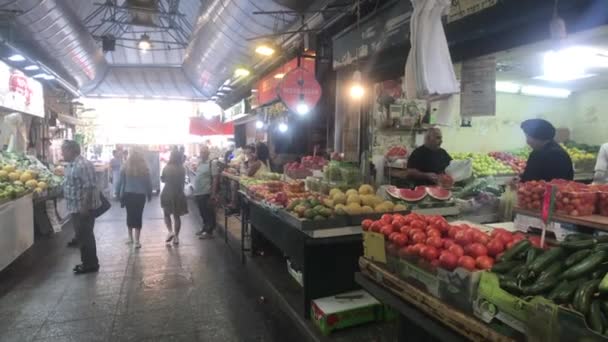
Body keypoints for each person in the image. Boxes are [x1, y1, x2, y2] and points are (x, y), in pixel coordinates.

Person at [62, 140, 100, 274]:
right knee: (82, 236)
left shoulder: (82, 165)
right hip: (75, 207)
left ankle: (90, 264)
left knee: (85, 235)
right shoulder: (73, 164)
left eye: (64, 150)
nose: (62, 153)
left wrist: (85, 207)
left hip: (81, 208)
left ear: (72, 150)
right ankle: (88, 262)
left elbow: (88, 187)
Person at [117, 148, 153, 249]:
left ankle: (130, 238)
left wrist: (117, 193)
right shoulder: (144, 168)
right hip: (140, 196)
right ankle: (137, 241)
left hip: (128, 194)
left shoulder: (125, 167)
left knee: (129, 215)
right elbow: (148, 183)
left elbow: (120, 182)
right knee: (138, 216)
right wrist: (149, 194)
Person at [160, 149, 188, 245]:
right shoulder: (182, 168)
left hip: (167, 192)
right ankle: (176, 237)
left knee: (166, 214)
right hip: (179, 193)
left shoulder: (166, 168)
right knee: (177, 216)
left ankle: (170, 231)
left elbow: (163, 180)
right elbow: (183, 181)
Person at [193, 146, 220, 239]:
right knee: (202, 212)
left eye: (204, 152)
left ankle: (209, 231)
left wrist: (213, 193)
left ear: (208, 153)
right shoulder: (200, 163)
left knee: (208, 212)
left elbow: (215, 179)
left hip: (206, 192)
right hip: (198, 192)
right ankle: (205, 228)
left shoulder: (212, 163)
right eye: (201, 152)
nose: (202, 154)